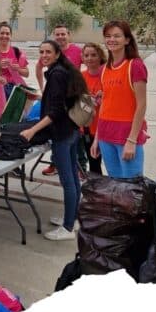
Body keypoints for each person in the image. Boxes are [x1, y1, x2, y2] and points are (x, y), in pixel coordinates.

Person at [20, 39, 88, 241]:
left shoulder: (57, 74)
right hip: (72, 130)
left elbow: (55, 111)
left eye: (48, 52)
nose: (44, 55)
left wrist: (32, 130)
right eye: (41, 52)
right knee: (73, 178)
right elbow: (59, 102)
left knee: (68, 180)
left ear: (57, 54)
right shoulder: (61, 70)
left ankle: (67, 228)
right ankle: (72, 218)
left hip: (62, 134)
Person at [90, 20, 148, 178]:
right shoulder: (104, 69)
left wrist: (132, 140)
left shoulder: (135, 66)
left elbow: (142, 105)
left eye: (117, 36)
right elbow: (104, 105)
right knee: (115, 184)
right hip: (106, 136)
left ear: (127, 40)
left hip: (127, 136)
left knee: (132, 186)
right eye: (108, 36)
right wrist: (97, 138)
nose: (112, 39)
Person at [36, 25, 83, 175]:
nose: (60, 37)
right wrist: (42, 88)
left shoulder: (75, 53)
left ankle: (80, 166)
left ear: (69, 35)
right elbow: (38, 67)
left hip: (70, 104)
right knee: (65, 138)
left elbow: (92, 64)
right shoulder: (50, 55)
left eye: (63, 34)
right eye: (57, 34)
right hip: (61, 104)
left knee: (70, 139)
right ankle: (57, 163)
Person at [81, 42, 106, 174]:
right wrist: (87, 102)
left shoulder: (107, 75)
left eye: (93, 55)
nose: (89, 58)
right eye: (86, 55)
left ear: (100, 56)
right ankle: (96, 186)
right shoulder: (81, 76)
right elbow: (75, 101)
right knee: (94, 164)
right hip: (87, 128)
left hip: (104, 127)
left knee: (112, 164)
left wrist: (104, 97)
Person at [0, 21, 29, 98]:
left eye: (7, 34)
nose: (5, 36)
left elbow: (26, 74)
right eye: (2, 33)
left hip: (15, 90)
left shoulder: (16, 51)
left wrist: (18, 69)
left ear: (11, 36)